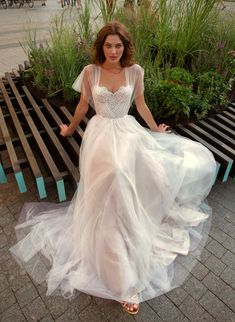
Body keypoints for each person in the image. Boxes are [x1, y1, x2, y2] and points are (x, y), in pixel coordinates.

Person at [10, 21, 216, 315]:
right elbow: (83, 104)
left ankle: (128, 237)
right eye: (108, 45)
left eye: (118, 45)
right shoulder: (90, 71)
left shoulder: (136, 71)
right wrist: (69, 129)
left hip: (127, 132)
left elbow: (141, 103)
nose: (113, 51)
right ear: (101, 46)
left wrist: (155, 128)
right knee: (115, 176)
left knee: (133, 177)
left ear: (125, 47)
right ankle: (118, 272)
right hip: (100, 135)